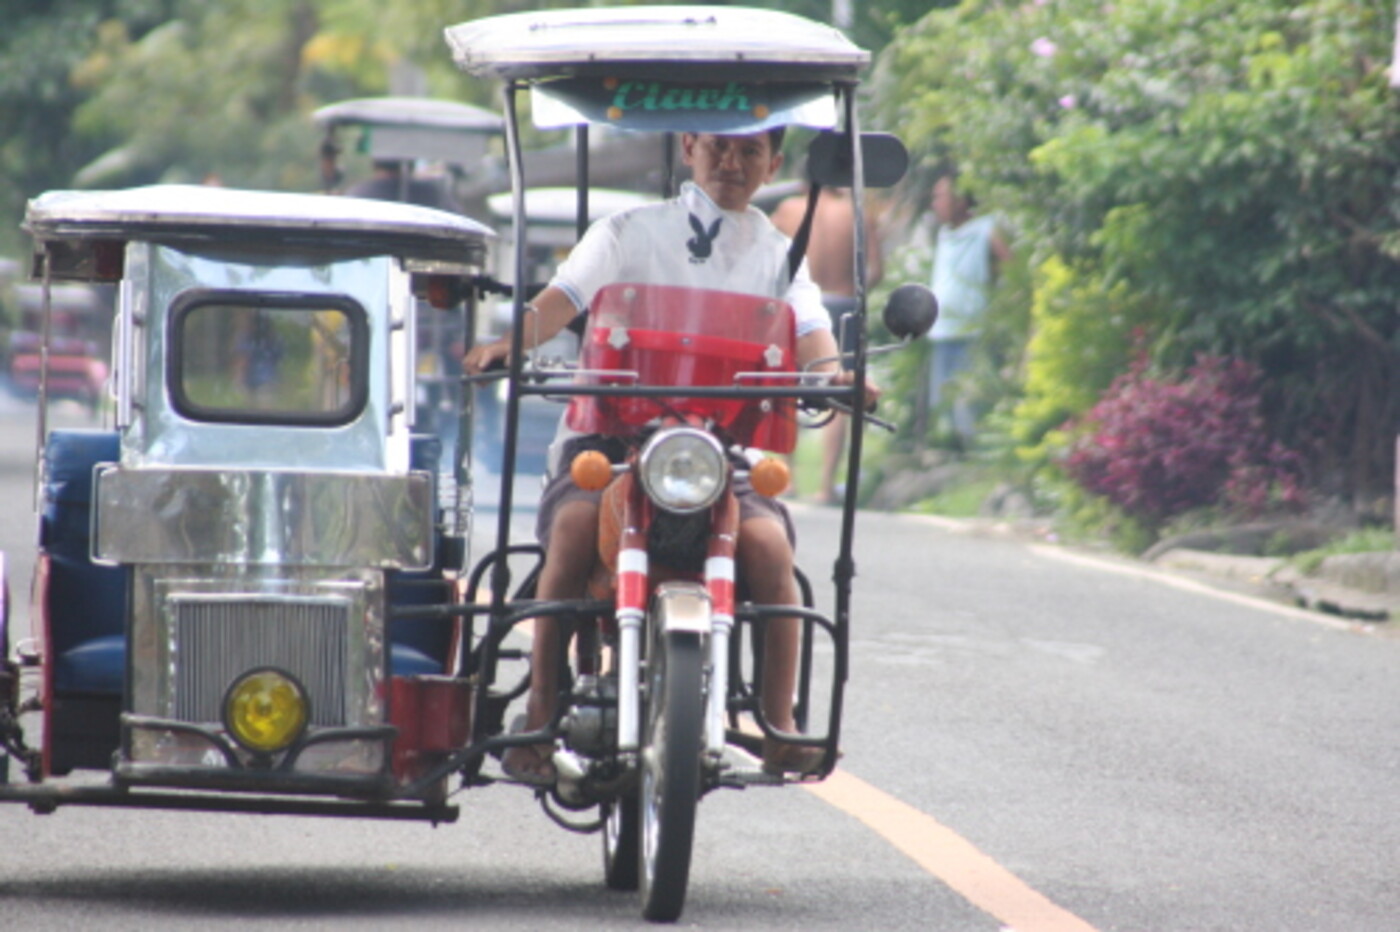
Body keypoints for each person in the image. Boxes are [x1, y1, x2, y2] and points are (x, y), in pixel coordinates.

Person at [465, 129, 872, 783]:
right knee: (572, 529)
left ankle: (780, 726)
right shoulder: (627, 231)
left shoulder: (779, 254)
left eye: (750, 151)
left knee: (770, 549)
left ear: (773, 164)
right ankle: (540, 714)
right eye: (718, 146)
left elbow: (809, 329)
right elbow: (566, 297)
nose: (731, 163)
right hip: (611, 439)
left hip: (720, 453)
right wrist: (513, 342)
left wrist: (832, 374)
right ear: (689, 148)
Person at [771, 184, 882, 504]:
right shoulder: (857, 212)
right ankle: (824, 485)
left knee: (787, 385)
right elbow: (876, 269)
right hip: (843, 303)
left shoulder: (787, 210)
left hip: (795, 307)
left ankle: (786, 479)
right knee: (840, 390)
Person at [922, 171, 1011, 443]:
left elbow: (1010, 265)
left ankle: (975, 446)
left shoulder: (986, 228)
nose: (935, 203)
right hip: (942, 328)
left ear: (960, 200)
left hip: (972, 328)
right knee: (943, 396)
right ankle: (949, 447)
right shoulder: (944, 234)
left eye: (941, 196)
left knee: (971, 396)